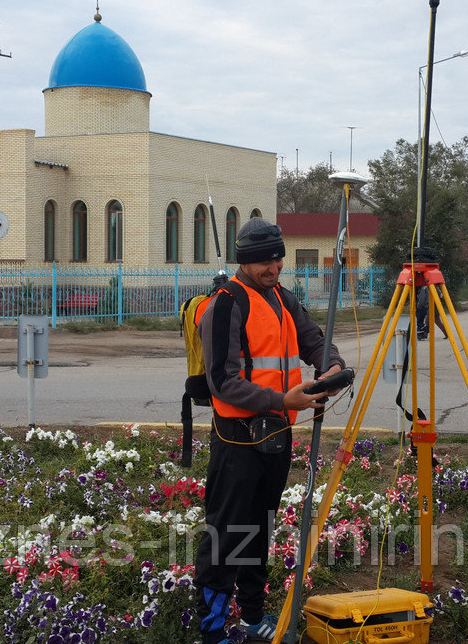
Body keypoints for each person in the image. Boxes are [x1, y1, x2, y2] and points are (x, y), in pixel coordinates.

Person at [193, 217, 345, 644]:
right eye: (264, 262)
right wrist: (283, 401)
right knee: (226, 536)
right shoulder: (226, 303)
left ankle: (252, 617)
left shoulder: (283, 298)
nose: (273, 268)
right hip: (237, 439)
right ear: (245, 262)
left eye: (277, 259)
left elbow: (315, 339)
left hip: (276, 435)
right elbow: (222, 381)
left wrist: (330, 364)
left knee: (260, 528)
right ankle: (212, 630)